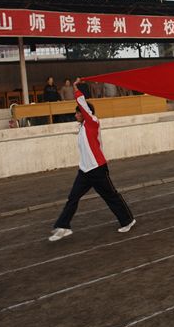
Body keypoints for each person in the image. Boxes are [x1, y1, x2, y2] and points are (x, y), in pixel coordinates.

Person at [49, 78, 136, 241]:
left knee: (111, 196)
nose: (75, 115)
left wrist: (76, 88)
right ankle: (63, 226)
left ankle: (128, 220)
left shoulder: (93, 122)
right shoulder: (82, 127)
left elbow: (82, 103)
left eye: (78, 112)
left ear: (85, 113)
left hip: (98, 169)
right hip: (84, 171)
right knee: (73, 197)